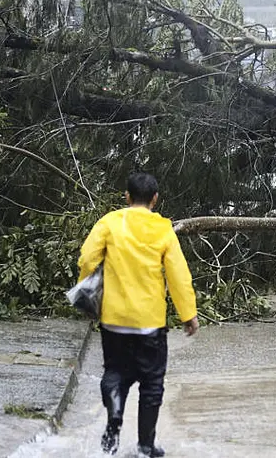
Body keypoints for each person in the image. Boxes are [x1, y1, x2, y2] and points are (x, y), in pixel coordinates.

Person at [77, 172, 199, 457]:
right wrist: (188, 314)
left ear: (127, 197)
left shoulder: (110, 222)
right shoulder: (163, 229)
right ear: (155, 199)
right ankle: (145, 445)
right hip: (150, 323)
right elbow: (178, 275)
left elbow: (86, 258)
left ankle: (115, 415)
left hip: (114, 320)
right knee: (152, 384)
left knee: (114, 373)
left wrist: (88, 299)